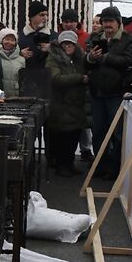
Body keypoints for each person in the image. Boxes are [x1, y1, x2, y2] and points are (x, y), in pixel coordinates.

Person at [85, 5, 132, 175]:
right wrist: (90, 58)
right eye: (105, 21)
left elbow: (127, 60)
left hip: (117, 93)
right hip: (97, 92)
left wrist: (104, 57)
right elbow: (86, 62)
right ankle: (100, 164)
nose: (107, 24)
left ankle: (115, 167)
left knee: (117, 133)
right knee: (98, 132)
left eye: (110, 21)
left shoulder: (130, 40)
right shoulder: (95, 38)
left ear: (118, 22)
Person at [44, 30, 89, 176]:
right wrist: (79, 78)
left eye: (71, 44)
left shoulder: (80, 58)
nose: (67, 47)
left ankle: (69, 163)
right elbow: (55, 79)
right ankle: (61, 165)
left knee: (74, 135)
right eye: (65, 44)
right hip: (60, 103)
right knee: (62, 136)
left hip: (76, 104)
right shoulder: (53, 58)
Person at [19, 0, 53, 69]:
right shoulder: (19, 36)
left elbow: (62, 57)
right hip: (27, 77)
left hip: (48, 77)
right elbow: (9, 56)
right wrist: (19, 54)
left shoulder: (54, 36)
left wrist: (52, 50)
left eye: (46, 15)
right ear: (32, 17)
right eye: (42, 15)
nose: (45, 18)